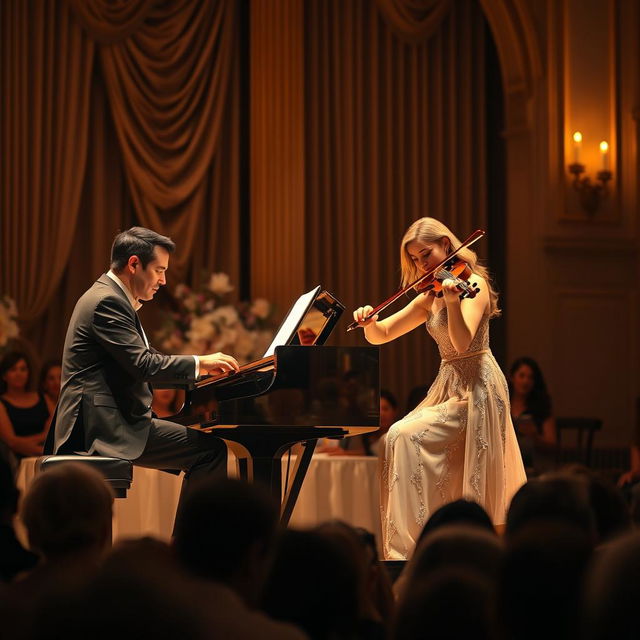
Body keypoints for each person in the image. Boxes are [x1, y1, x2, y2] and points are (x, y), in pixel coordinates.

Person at [353, 217, 526, 560]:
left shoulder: (471, 283)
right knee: (395, 439)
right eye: (416, 259)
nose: (423, 264)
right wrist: (369, 321)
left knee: (403, 434)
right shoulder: (430, 293)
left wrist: (451, 303)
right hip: (449, 383)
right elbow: (383, 335)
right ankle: (422, 541)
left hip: (477, 386)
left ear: (447, 245)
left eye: (426, 254)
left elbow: (463, 344)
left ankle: (408, 550)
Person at [46, 227, 240, 505]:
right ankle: (193, 546)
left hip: (109, 419)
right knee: (210, 452)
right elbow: (144, 365)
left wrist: (200, 370)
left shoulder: (109, 296)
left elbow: (141, 360)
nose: (163, 280)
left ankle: (189, 543)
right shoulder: (107, 302)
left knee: (206, 450)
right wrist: (200, 363)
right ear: (134, 264)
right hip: (100, 427)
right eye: (159, 270)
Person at [508, 356, 556, 473]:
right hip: (508, 464)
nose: (525, 381)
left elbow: (552, 444)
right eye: (522, 376)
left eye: (530, 378)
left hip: (535, 467)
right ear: (512, 378)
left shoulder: (541, 407)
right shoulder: (503, 405)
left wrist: (534, 436)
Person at [0, 351, 51, 459]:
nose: (19, 374)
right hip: (16, 461)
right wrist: (42, 444)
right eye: (13, 369)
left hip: (47, 455)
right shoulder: (2, 403)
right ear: (4, 376)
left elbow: (55, 429)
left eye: (23, 369)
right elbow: (12, 441)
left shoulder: (43, 398)